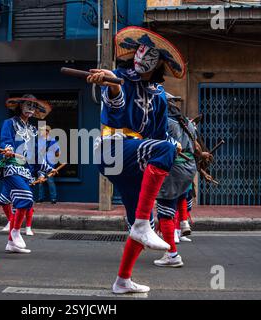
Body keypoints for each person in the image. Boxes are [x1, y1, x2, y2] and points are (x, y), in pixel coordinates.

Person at [88, 26, 186, 294]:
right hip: (112, 149)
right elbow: (116, 112)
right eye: (142, 50)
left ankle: (122, 281)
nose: (144, 56)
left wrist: (172, 144)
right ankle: (143, 223)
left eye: (152, 55)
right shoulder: (119, 77)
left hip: (132, 160)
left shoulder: (159, 99)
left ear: (159, 66)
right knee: (163, 151)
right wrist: (113, 85)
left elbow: (158, 134)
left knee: (142, 228)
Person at [0, 95, 57, 254]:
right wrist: (8, 148)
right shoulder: (9, 123)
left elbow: (36, 153)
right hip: (12, 167)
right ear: (20, 106)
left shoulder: (34, 130)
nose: (31, 108)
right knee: (26, 198)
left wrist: (46, 168)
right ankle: (15, 231)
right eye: (27, 105)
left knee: (21, 203)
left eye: (33, 106)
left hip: (27, 170)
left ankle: (11, 243)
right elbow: (4, 140)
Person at [153, 93, 199, 268]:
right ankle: (182, 223)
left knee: (165, 210)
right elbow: (195, 145)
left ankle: (172, 254)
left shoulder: (165, 123)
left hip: (174, 168)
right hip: (189, 167)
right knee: (178, 199)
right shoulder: (187, 122)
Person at [37, 125, 60, 204]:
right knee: (40, 182)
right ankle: (40, 198)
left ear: (48, 131)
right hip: (41, 164)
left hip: (50, 164)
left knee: (50, 181)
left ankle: (53, 198)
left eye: (45, 130)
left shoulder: (53, 140)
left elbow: (57, 152)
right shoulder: (39, 141)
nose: (44, 132)